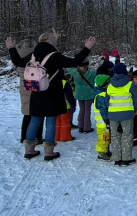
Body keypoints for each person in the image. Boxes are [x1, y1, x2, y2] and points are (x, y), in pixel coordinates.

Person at [6, 32, 96, 161]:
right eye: (54, 39)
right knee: (51, 121)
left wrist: (11, 48)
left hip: (36, 92)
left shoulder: (34, 54)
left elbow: (18, 62)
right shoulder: (55, 56)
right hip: (52, 94)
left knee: (34, 120)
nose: (55, 40)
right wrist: (87, 48)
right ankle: (49, 152)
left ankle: (29, 150)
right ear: (49, 41)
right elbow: (74, 62)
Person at [107, 62, 137, 166]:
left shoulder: (110, 85)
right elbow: (136, 98)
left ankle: (116, 158)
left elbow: (106, 100)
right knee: (127, 135)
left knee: (115, 136)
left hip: (113, 114)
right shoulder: (130, 84)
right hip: (127, 114)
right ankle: (127, 158)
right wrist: (133, 110)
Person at [14, 39, 43, 144]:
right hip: (35, 85)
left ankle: (24, 137)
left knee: (27, 114)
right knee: (39, 114)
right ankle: (38, 137)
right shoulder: (34, 55)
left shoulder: (19, 52)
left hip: (24, 86)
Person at [66, 60, 98, 134]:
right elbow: (100, 71)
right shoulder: (92, 72)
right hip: (89, 93)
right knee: (87, 110)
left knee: (82, 109)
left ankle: (80, 126)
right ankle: (87, 127)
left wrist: (76, 59)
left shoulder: (75, 72)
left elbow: (67, 67)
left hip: (79, 93)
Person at [92, 73, 113, 161]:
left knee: (107, 137)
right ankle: (101, 153)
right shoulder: (101, 96)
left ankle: (106, 150)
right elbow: (103, 111)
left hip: (103, 123)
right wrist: (107, 120)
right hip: (102, 123)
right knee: (103, 138)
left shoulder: (101, 93)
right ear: (105, 84)